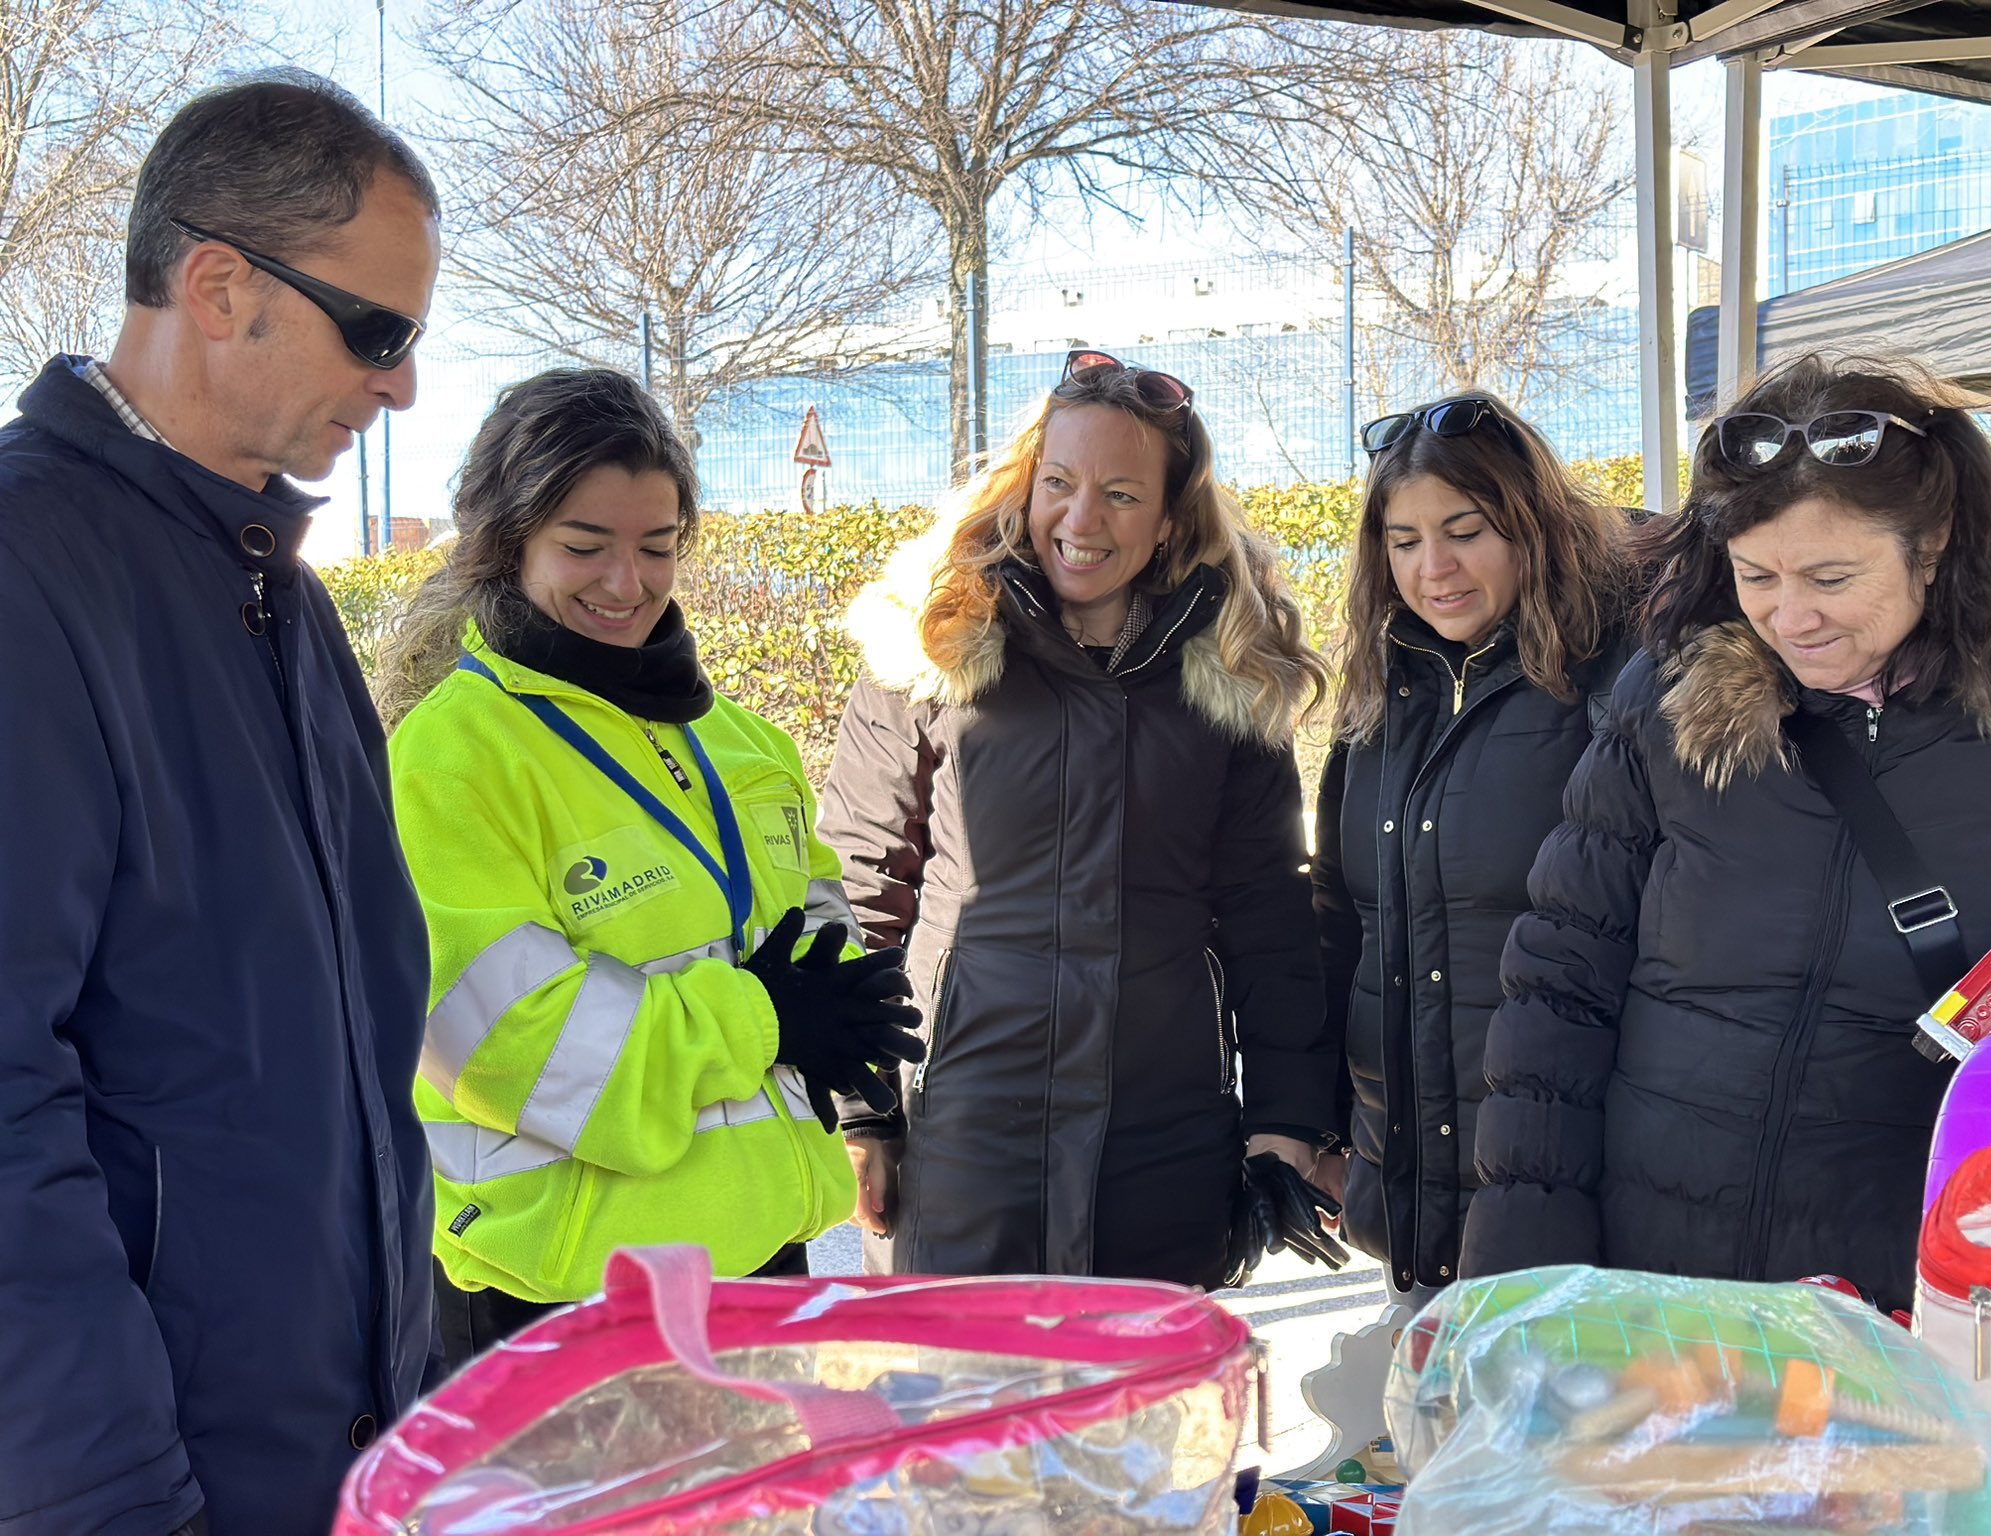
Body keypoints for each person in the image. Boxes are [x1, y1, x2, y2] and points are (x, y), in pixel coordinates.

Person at [0, 72, 441, 1536]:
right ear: (218, 285)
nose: (402, 387)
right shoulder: (29, 573)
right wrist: (111, 1499)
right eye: (379, 333)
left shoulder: (280, 595)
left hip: (328, 1461)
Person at [1463, 355, 1991, 1313]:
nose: (1790, 614)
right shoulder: (1668, 706)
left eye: (1830, 575)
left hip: (1901, 1300)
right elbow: (1562, 983)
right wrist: (1524, 1270)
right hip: (1655, 1274)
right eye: (1756, 575)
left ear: (1934, 547)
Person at [376, 368, 922, 1364]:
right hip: (566, 1298)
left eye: (656, 547)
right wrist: (762, 1020)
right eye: (584, 547)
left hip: (758, 1261)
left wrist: (848, 1017)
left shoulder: (743, 742)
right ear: (508, 544)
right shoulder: (452, 754)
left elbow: (810, 928)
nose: (625, 583)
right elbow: (497, 1043)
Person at [818, 350, 1340, 1290]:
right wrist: (863, 1114)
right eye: (1058, 482)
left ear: (1172, 513)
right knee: (962, 1420)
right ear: (1026, 482)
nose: (1081, 520)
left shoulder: (1229, 673)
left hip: (1162, 1145)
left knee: (1141, 1428)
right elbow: (860, 890)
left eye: (1122, 494)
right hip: (963, 1137)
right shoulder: (934, 645)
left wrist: (1284, 1125)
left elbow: (1269, 917)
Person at [1312, 393, 1632, 1302]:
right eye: (1404, 541)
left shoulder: (1610, 685)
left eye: (1466, 530)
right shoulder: (1379, 695)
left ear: (1532, 528)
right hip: (1410, 1206)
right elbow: (1342, 920)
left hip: (1567, 1212)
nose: (1434, 569)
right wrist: (1332, 1132)